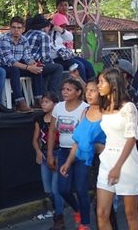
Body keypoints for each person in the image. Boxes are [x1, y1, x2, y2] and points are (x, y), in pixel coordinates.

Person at [96, 68, 138, 230]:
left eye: (102, 82)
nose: (98, 85)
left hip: (126, 162)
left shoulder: (128, 107)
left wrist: (117, 167)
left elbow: (131, 138)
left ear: (113, 84)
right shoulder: (103, 107)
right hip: (106, 161)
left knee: (130, 213)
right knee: (101, 213)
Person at [59, 80, 106, 230]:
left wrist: (97, 146)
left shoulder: (108, 112)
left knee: (104, 207)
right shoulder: (85, 112)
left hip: (102, 162)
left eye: (93, 91)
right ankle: (85, 223)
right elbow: (78, 141)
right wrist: (68, 162)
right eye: (88, 91)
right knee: (75, 190)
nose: (89, 94)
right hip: (84, 159)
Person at [47, 78, 88, 229]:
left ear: (78, 92)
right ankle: (78, 210)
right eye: (63, 89)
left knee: (81, 189)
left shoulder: (85, 108)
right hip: (63, 151)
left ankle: (85, 223)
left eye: (68, 89)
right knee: (63, 189)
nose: (64, 92)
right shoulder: (58, 107)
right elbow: (52, 131)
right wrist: (50, 154)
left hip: (81, 152)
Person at [0, 16, 43, 113]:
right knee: (14, 69)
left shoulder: (24, 40)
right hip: (2, 67)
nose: (16, 30)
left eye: (19, 28)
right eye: (14, 27)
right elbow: (10, 61)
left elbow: (27, 57)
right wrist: (28, 67)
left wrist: (33, 64)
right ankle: (19, 102)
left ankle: (38, 100)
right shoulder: (4, 40)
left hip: (17, 65)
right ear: (10, 28)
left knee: (36, 70)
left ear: (23, 29)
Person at [32, 92, 64, 230]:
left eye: (47, 102)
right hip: (45, 155)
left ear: (55, 104)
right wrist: (38, 151)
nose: (43, 104)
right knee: (48, 189)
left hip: (58, 153)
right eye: (42, 102)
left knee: (56, 189)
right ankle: (56, 209)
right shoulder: (39, 119)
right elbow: (35, 139)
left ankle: (59, 218)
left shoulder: (59, 119)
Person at [24, 15, 64, 106]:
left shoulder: (27, 34)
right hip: (34, 64)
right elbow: (45, 57)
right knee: (58, 67)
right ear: (44, 26)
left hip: (25, 64)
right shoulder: (43, 36)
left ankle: (44, 96)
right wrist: (52, 63)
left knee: (47, 69)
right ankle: (53, 97)